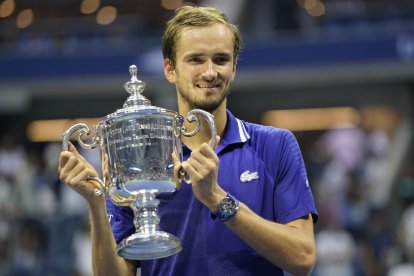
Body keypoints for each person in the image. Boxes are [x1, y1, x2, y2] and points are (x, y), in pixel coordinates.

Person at [58, 6, 318, 276]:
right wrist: (96, 203)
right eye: (195, 60)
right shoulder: (138, 160)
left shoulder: (274, 146)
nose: (209, 72)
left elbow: (302, 258)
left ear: (234, 68)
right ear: (170, 69)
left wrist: (217, 199)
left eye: (220, 59)